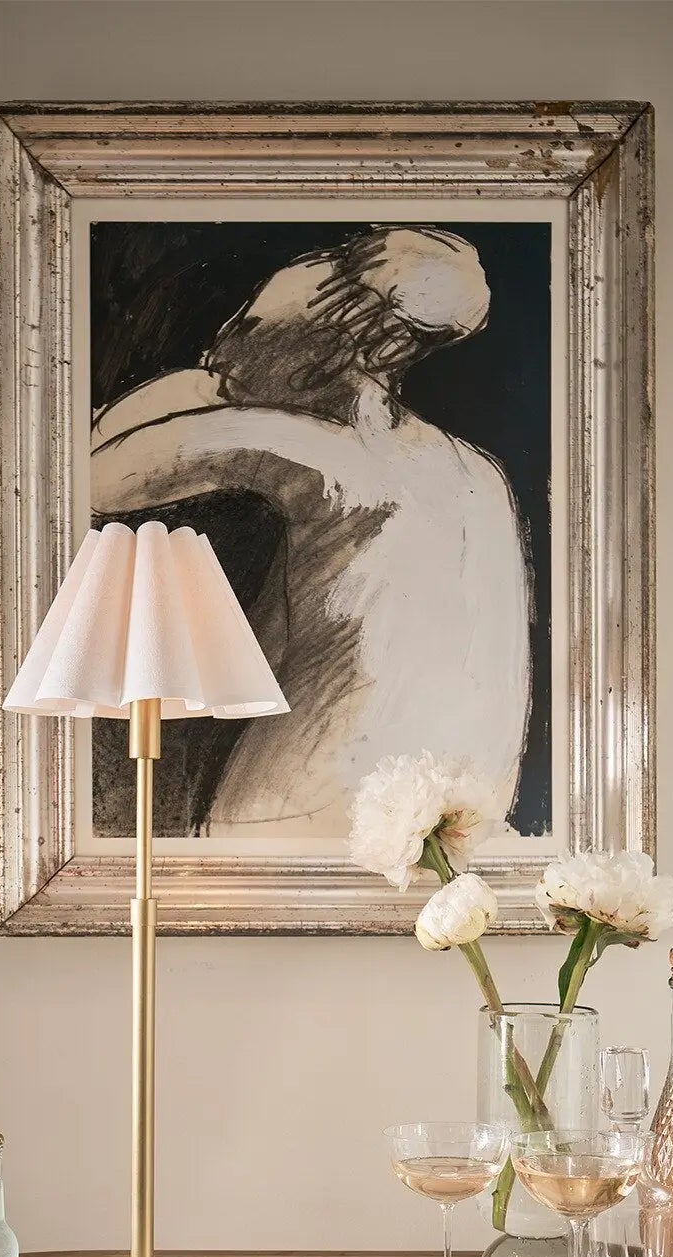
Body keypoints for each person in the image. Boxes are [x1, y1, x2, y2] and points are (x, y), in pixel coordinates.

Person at [90, 227, 531, 836]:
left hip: (296, 816)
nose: (222, 358)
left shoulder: (310, 450)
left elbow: (86, 478)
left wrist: (205, 389)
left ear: (328, 355)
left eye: (246, 335)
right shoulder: (479, 477)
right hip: (452, 830)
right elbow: (305, 639)